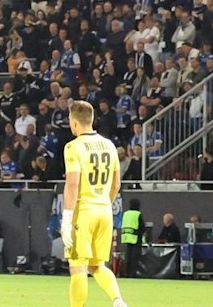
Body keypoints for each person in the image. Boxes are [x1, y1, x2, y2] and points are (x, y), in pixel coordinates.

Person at [61, 102, 127, 307]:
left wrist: (66, 219)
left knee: (78, 267)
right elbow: (117, 184)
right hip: (104, 210)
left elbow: (72, 185)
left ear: (73, 122)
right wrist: (104, 203)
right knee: (97, 266)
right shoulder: (109, 145)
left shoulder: (74, 147)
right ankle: (118, 301)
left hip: (84, 211)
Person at [119, 198, 144, 278]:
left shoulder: (126, 214)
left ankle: (126, 273)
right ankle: (133, 274)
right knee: (134, 257)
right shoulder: (137, 214)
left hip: (126, 237)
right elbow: (142, 227)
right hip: (135, 238)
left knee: (128, 257)